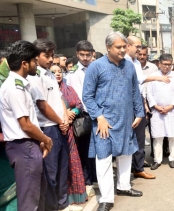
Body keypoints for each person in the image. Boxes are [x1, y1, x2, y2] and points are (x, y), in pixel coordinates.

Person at [83, 32, 144, 211]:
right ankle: (107, 199)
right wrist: (99, 117)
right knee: (103, 159)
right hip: (104, 122)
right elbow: (87, 96)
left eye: (125, 46)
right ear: (108, 47)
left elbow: (135, 91)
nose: (123, 50)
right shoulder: (96, 67)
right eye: (119, 47)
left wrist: (139, 113)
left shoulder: (129, 66)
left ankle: (124, 186)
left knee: (126, 154)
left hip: (126, 119)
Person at [0, 40, 52, 211]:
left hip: (29, 145)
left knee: (38, 193)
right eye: (34, 61)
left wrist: (40, 141)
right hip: (24, 147)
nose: (36, 65)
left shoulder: (20, 85)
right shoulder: (14, 88)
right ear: (24, 63)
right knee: (30, 201)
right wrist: (46, 139)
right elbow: (26, 125)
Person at [27, 38, 70, 210]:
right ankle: (52, 206)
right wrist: (60, 121)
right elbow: (42, 105)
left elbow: (59, 98)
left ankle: (62, 203)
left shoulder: (50, 73)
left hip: (60, 126)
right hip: (48, 128)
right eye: (47, 55)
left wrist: (65, 117)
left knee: (62, 167)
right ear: (36, 56)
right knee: (50, 171)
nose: (51, 59)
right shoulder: (35, 76)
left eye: (52, 55)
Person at [125, 36, 162, 180]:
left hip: (138, 99)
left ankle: (138, 167)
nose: (139, 50)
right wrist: (158, 78)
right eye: (137, 46)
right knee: (128, 136)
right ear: (128, 45)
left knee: (140, 135)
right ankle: (128, 169)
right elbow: (139, 79)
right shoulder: (124, 62)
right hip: (127, 102)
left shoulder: (135, 62)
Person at [51, 64, 88, 206]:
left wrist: (73, 113)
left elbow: (78, 104)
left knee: (73, 161)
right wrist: (63, 116)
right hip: (56, 129)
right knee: (58, 165)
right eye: (53, 72)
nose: (57, 74)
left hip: (70, 130)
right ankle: (60, 198)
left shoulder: (69, 89)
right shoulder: (48, 91)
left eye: (59, 71)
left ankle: (76, 195)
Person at [66, 40, 97, 195]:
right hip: (85, 115)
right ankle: (88, 179)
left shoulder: (96, 68)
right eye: (82, 55)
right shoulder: (74, 74)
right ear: (77, 54)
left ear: (92, 54)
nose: (85, 58)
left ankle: (97, 177)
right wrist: (92, 112)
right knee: (85, 149)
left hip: (99, 113)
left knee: (98, 147)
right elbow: (80, 96)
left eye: (88, 54)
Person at [147, 54, 174, 169]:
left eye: (169, 64)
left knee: (173, 135)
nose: (167, 67)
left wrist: (170, 106)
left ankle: (172, 158)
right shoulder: (153, 76)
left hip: (172, 110)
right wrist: (155, 106)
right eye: (164, 64)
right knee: (158, 136)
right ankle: (157, 160)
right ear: (159, 64)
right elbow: (149, 93)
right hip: (157, 111)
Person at [138, 45, 158, 148]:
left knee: (154, 128)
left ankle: (155, 154)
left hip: (152, 101)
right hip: (138, 101)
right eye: (140, 54)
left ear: (147, 55)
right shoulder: (132, 66)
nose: (142, 56)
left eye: (144, 54)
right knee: (140, 131)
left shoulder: (153, 67)